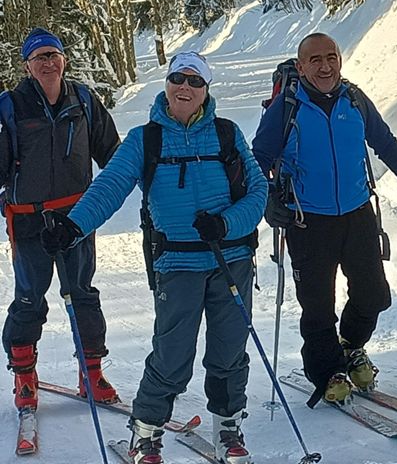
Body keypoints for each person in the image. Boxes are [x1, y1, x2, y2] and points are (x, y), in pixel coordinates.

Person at [40, 51, 267, 464]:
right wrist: (73, 227)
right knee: (172, 354)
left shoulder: (227, 134)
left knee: (230, 351)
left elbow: (258, 192)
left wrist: (225, 223)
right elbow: (109, 186)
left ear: (206, 90)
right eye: (178, 78)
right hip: (177, 263)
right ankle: (145, 432)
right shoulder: (146, 139)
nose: (185, 87)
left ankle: (228, 426)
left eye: (195, 81)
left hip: (230, 258)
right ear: (167, 83)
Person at [252, 33, 397, 405]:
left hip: (357, 214)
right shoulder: (287, 107)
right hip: (307, 220)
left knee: (373, 295)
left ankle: (351, 346)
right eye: (315, 60)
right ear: (301, 66)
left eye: (331, 58)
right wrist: (268, 200)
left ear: (340, 60)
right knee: (318, 306)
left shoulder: (354, 99)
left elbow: (384, 142)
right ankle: (328, 372)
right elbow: (258, 157)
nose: (325, 67)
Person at [1, 28, 121, 413]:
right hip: (29, 220)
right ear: (27, 66)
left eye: (53, 55)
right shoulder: (10, 106)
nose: (48, 63)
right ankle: (24, 377)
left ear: (63, 60)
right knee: (29, 297)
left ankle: (92, 373)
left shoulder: (83, 100)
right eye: (39, 58)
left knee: (82, 293)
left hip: (76, 217)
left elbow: (114, 155)